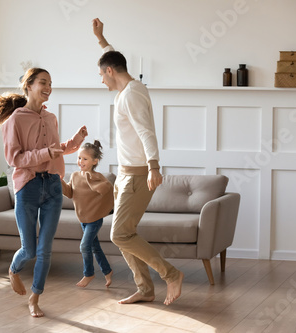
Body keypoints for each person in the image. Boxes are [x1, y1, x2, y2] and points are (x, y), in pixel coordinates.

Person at [92, 18, 184, 306]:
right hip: (125, 173)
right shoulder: (129, 88)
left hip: (138, 174)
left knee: (119, 233)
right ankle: (144, 289)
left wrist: (154, 167)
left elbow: (146, 132)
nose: (101, 80)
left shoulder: (131, 95)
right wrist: (101, 39)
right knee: (124, 234)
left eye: (101, 74)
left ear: (109, 72)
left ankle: (170, 274)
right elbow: (113, 57)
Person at [0, 68, 88, 317]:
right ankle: (13, 270)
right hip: (28, 188)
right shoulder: (15, 120)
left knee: (45, 250)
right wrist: (45, 154)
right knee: (29, 250)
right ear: (28, 85)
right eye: (43, 82)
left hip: (52, 185)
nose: (48, 87)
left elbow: (54, 149)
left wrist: (73, 143)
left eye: (51, 83)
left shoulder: (51, 118)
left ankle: (35, 298)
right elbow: (14, 158)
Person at [61, 140, 114, 288]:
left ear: (94, 161)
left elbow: (105, 189)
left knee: (84, 246)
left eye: (85, 159)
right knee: (94, 247)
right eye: (79, 158)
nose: (80, 161)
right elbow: (70, 193)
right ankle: (108, 271)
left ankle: (88, 273)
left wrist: (90, 180)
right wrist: (60, 183)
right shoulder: (75, 175)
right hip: (82, 218)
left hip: (94, 219)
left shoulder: (97, 177)